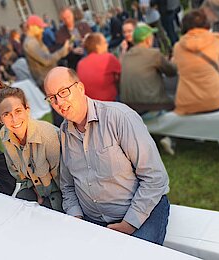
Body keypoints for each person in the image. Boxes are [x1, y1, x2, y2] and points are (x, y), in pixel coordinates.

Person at [43, 67, 170, 245]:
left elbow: (155, 177)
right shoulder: (65, 131)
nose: (59, 102)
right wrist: (76, 217)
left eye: (64, 92)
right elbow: (68, 185)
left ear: (80, 88)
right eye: (52, 97)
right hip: (92, 219)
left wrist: (128, 224)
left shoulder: (119, 117)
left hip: (140, 215)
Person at [0, 86, 62, 211]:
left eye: (18, 111)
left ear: (27, 109)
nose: (14, 120)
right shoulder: (5, 134)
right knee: (16, 209)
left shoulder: (48, 138)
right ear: (0, 119)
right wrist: (36, 193)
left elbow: (64, 183)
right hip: (33, 188)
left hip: (57, 194)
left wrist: (44, 202)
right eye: (6, 114)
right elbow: (18, 174)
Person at [173, 9, 219, 115]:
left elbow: (177, 66)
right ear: (206, 23)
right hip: (217, 99)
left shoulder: (177, 47)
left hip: (188, 104)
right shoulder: (217, 40)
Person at [120, 24, 177, 107]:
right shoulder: (153, 54)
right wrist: (173, 61)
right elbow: (172, 71)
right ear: (148, 40)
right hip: (151, 104)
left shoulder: (126, 56)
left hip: (130, 107)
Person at [23, 15, 69, 89]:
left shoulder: (34, 40)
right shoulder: (30, 43)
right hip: (47, 80)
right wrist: (62, 51)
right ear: (31, 27)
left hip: (49, 78)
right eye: (40, 27)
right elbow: (46, 60)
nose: (42, 30)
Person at [76, 33, 121, 101]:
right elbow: (123, 74)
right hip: (109, 103)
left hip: (90, 104)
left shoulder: (80, 64)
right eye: (105, 42)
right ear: (97, 46)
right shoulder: (109, 58)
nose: (107, 45)